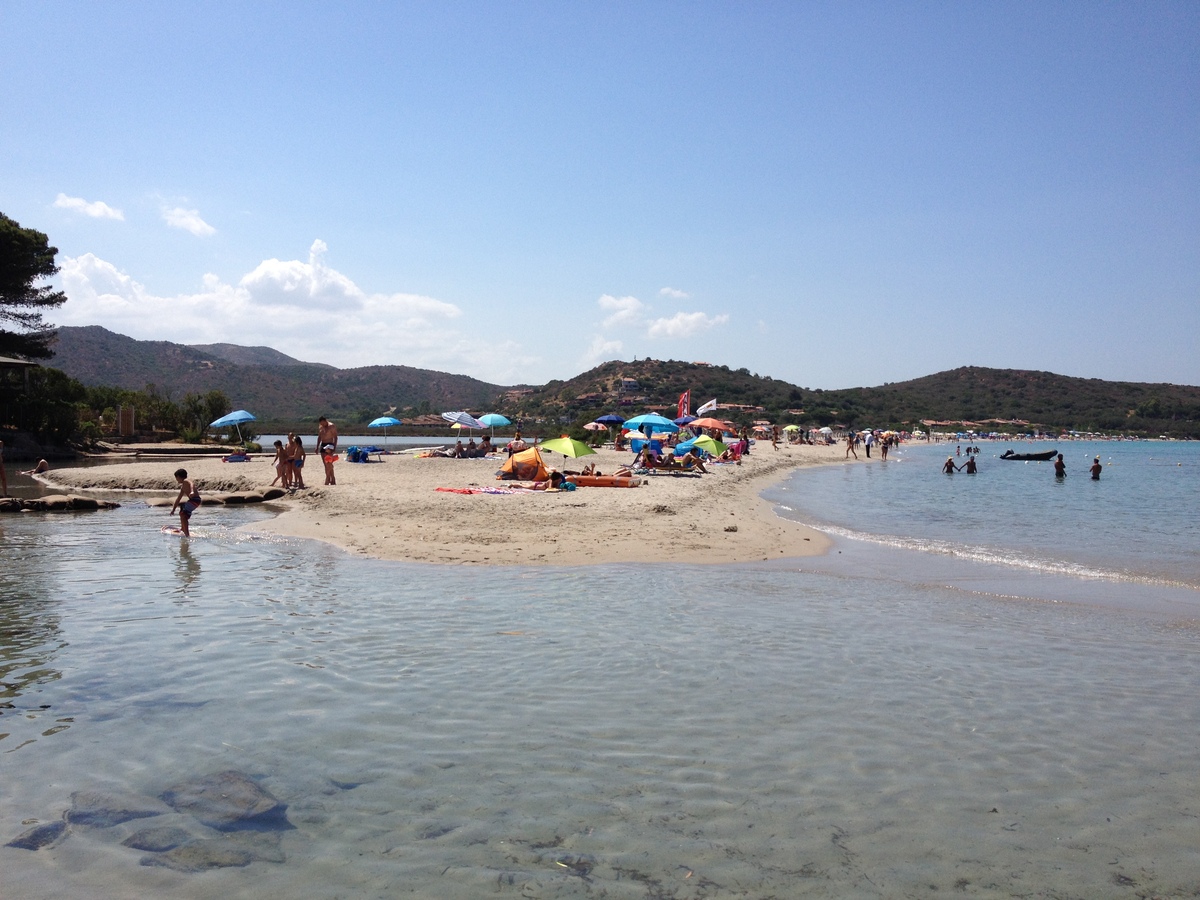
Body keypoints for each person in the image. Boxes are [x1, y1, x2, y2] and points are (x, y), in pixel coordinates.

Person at [169, 468, 201, 536]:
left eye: (176, 478)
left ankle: (186, 534)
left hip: (196, 500)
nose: (176, 480)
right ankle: (183, 528)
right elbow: (178, 499)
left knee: (183, 513)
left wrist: (192, 491)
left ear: (178, 477)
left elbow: (191, 484)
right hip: (193, 501)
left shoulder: (186, 481)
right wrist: (173, 510)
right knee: (182, 511)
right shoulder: (183, 487)